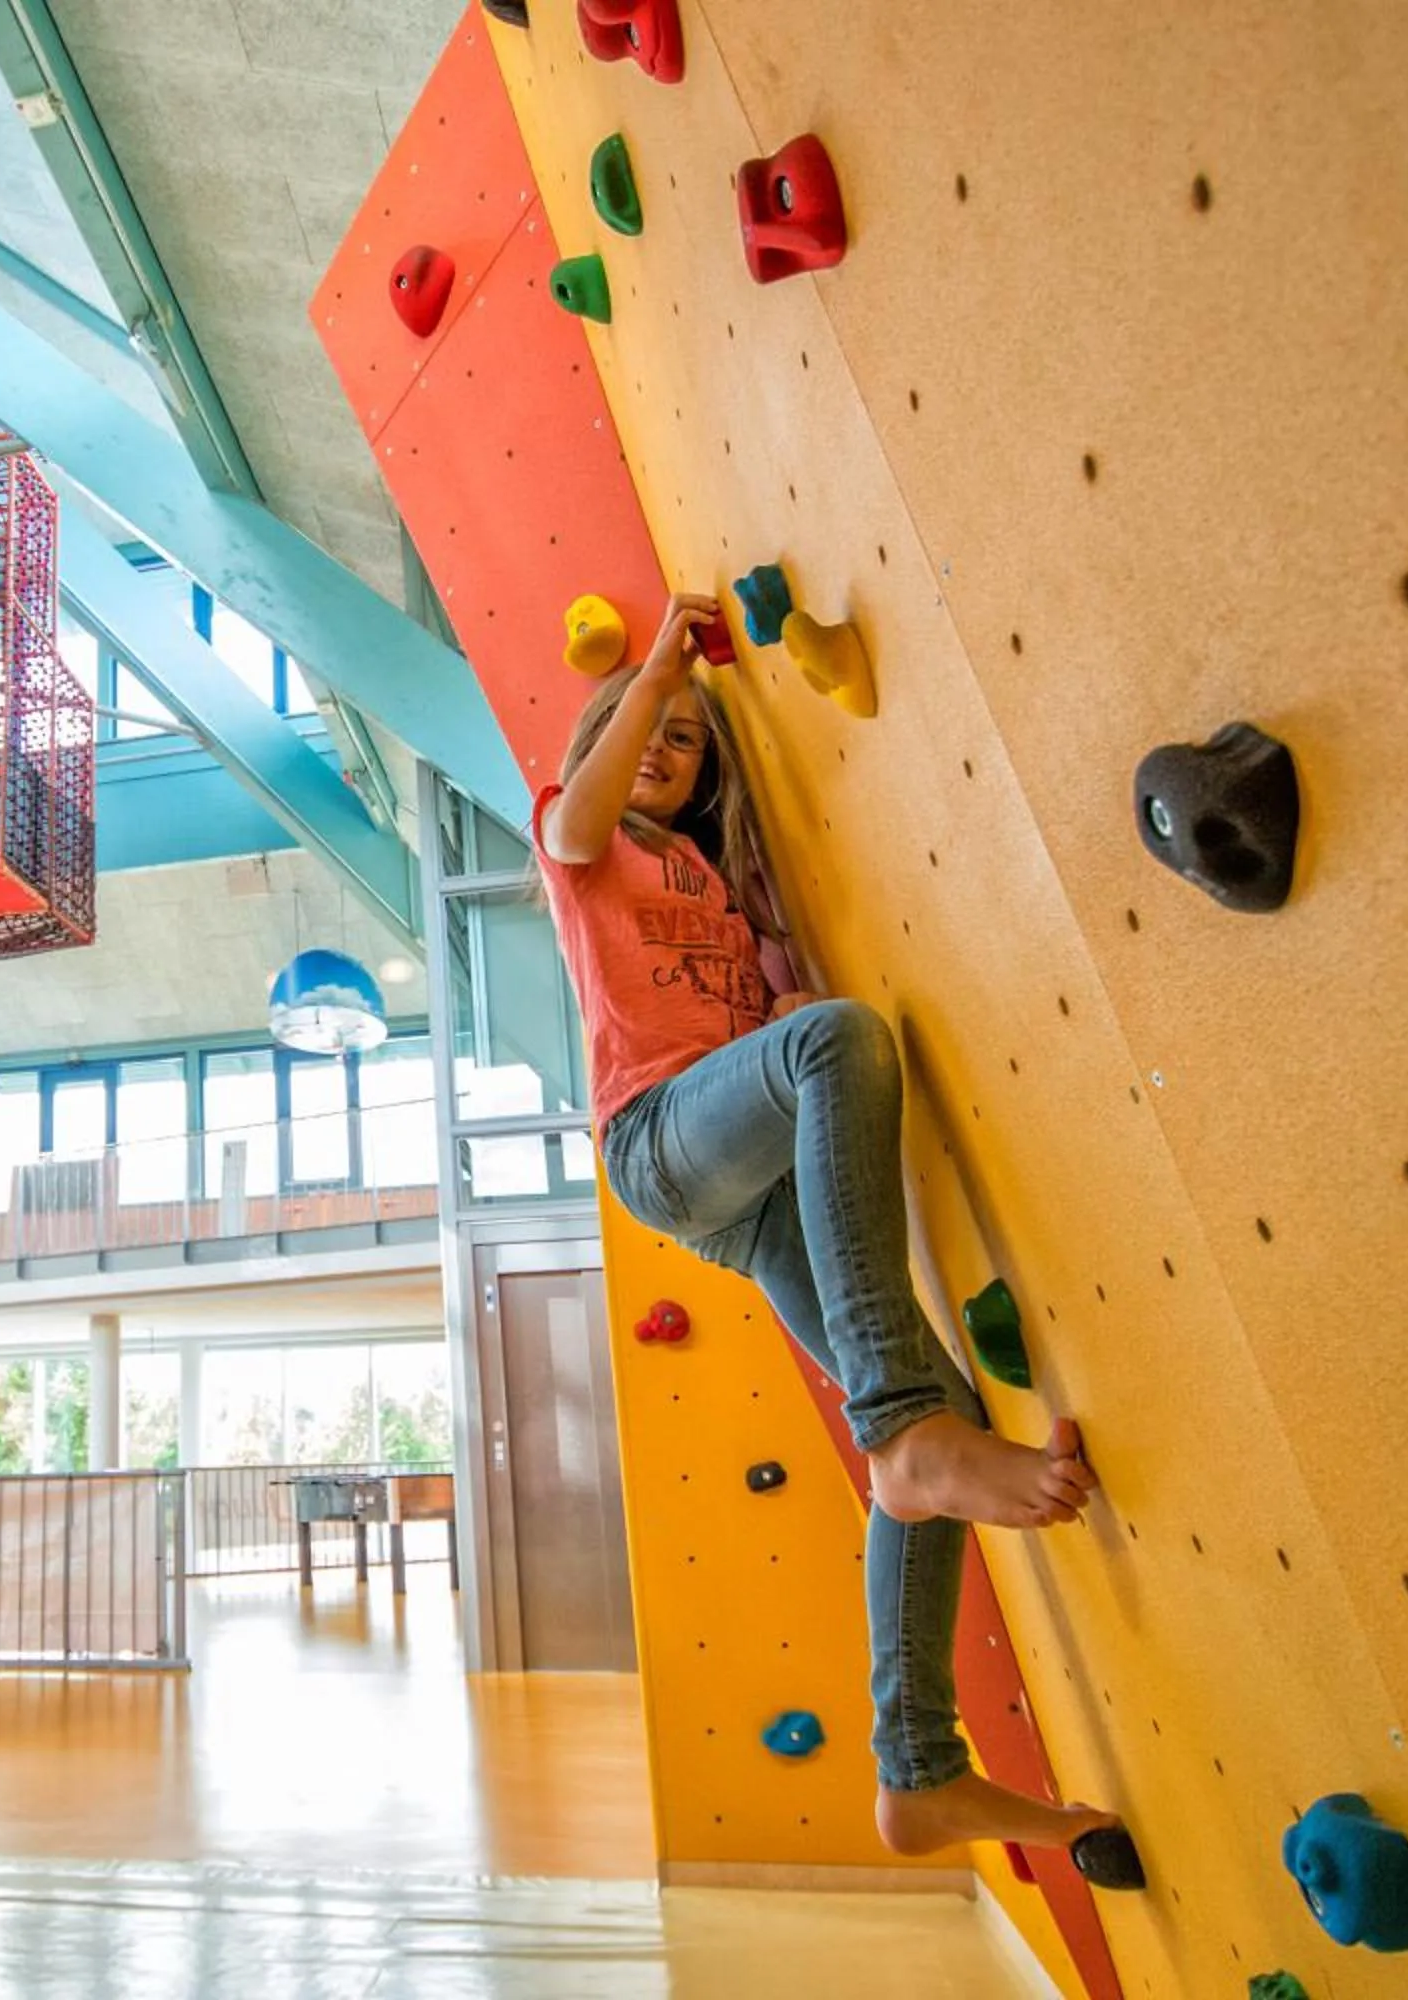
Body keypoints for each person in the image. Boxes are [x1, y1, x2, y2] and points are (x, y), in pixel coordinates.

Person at [536, 589, 1125, 1861]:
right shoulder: (581, 841)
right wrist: (658, 673)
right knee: (839, 1042)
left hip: (750, 1183)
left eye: (688, 743)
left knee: (935, 1393)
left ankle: (919, 1770)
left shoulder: (716, 884)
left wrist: (775, 972)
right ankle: (908, 1435)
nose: (666, 749)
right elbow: (583, 812)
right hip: (662, 1141)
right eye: (649, 730)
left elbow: (771, 1020)